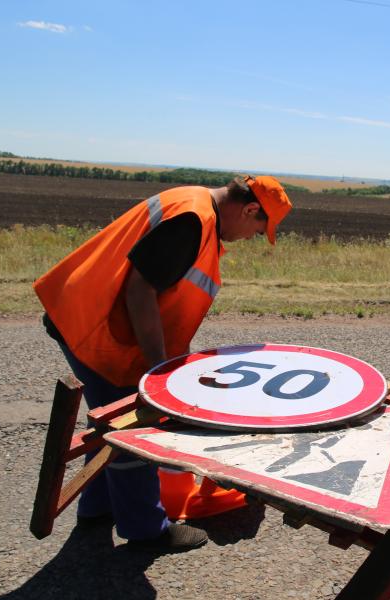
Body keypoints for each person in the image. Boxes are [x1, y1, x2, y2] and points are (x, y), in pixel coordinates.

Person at [34, 175, 292, 550]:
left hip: (85, 315)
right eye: (257, 229)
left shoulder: (195, 207)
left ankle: (97, 507)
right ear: (251, 209)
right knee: (131, 427)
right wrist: (157, 372)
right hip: (89, 324)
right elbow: (140, 290)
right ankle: (145, 529)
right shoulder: (193, 220)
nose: (252, 237)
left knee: (110, 417)